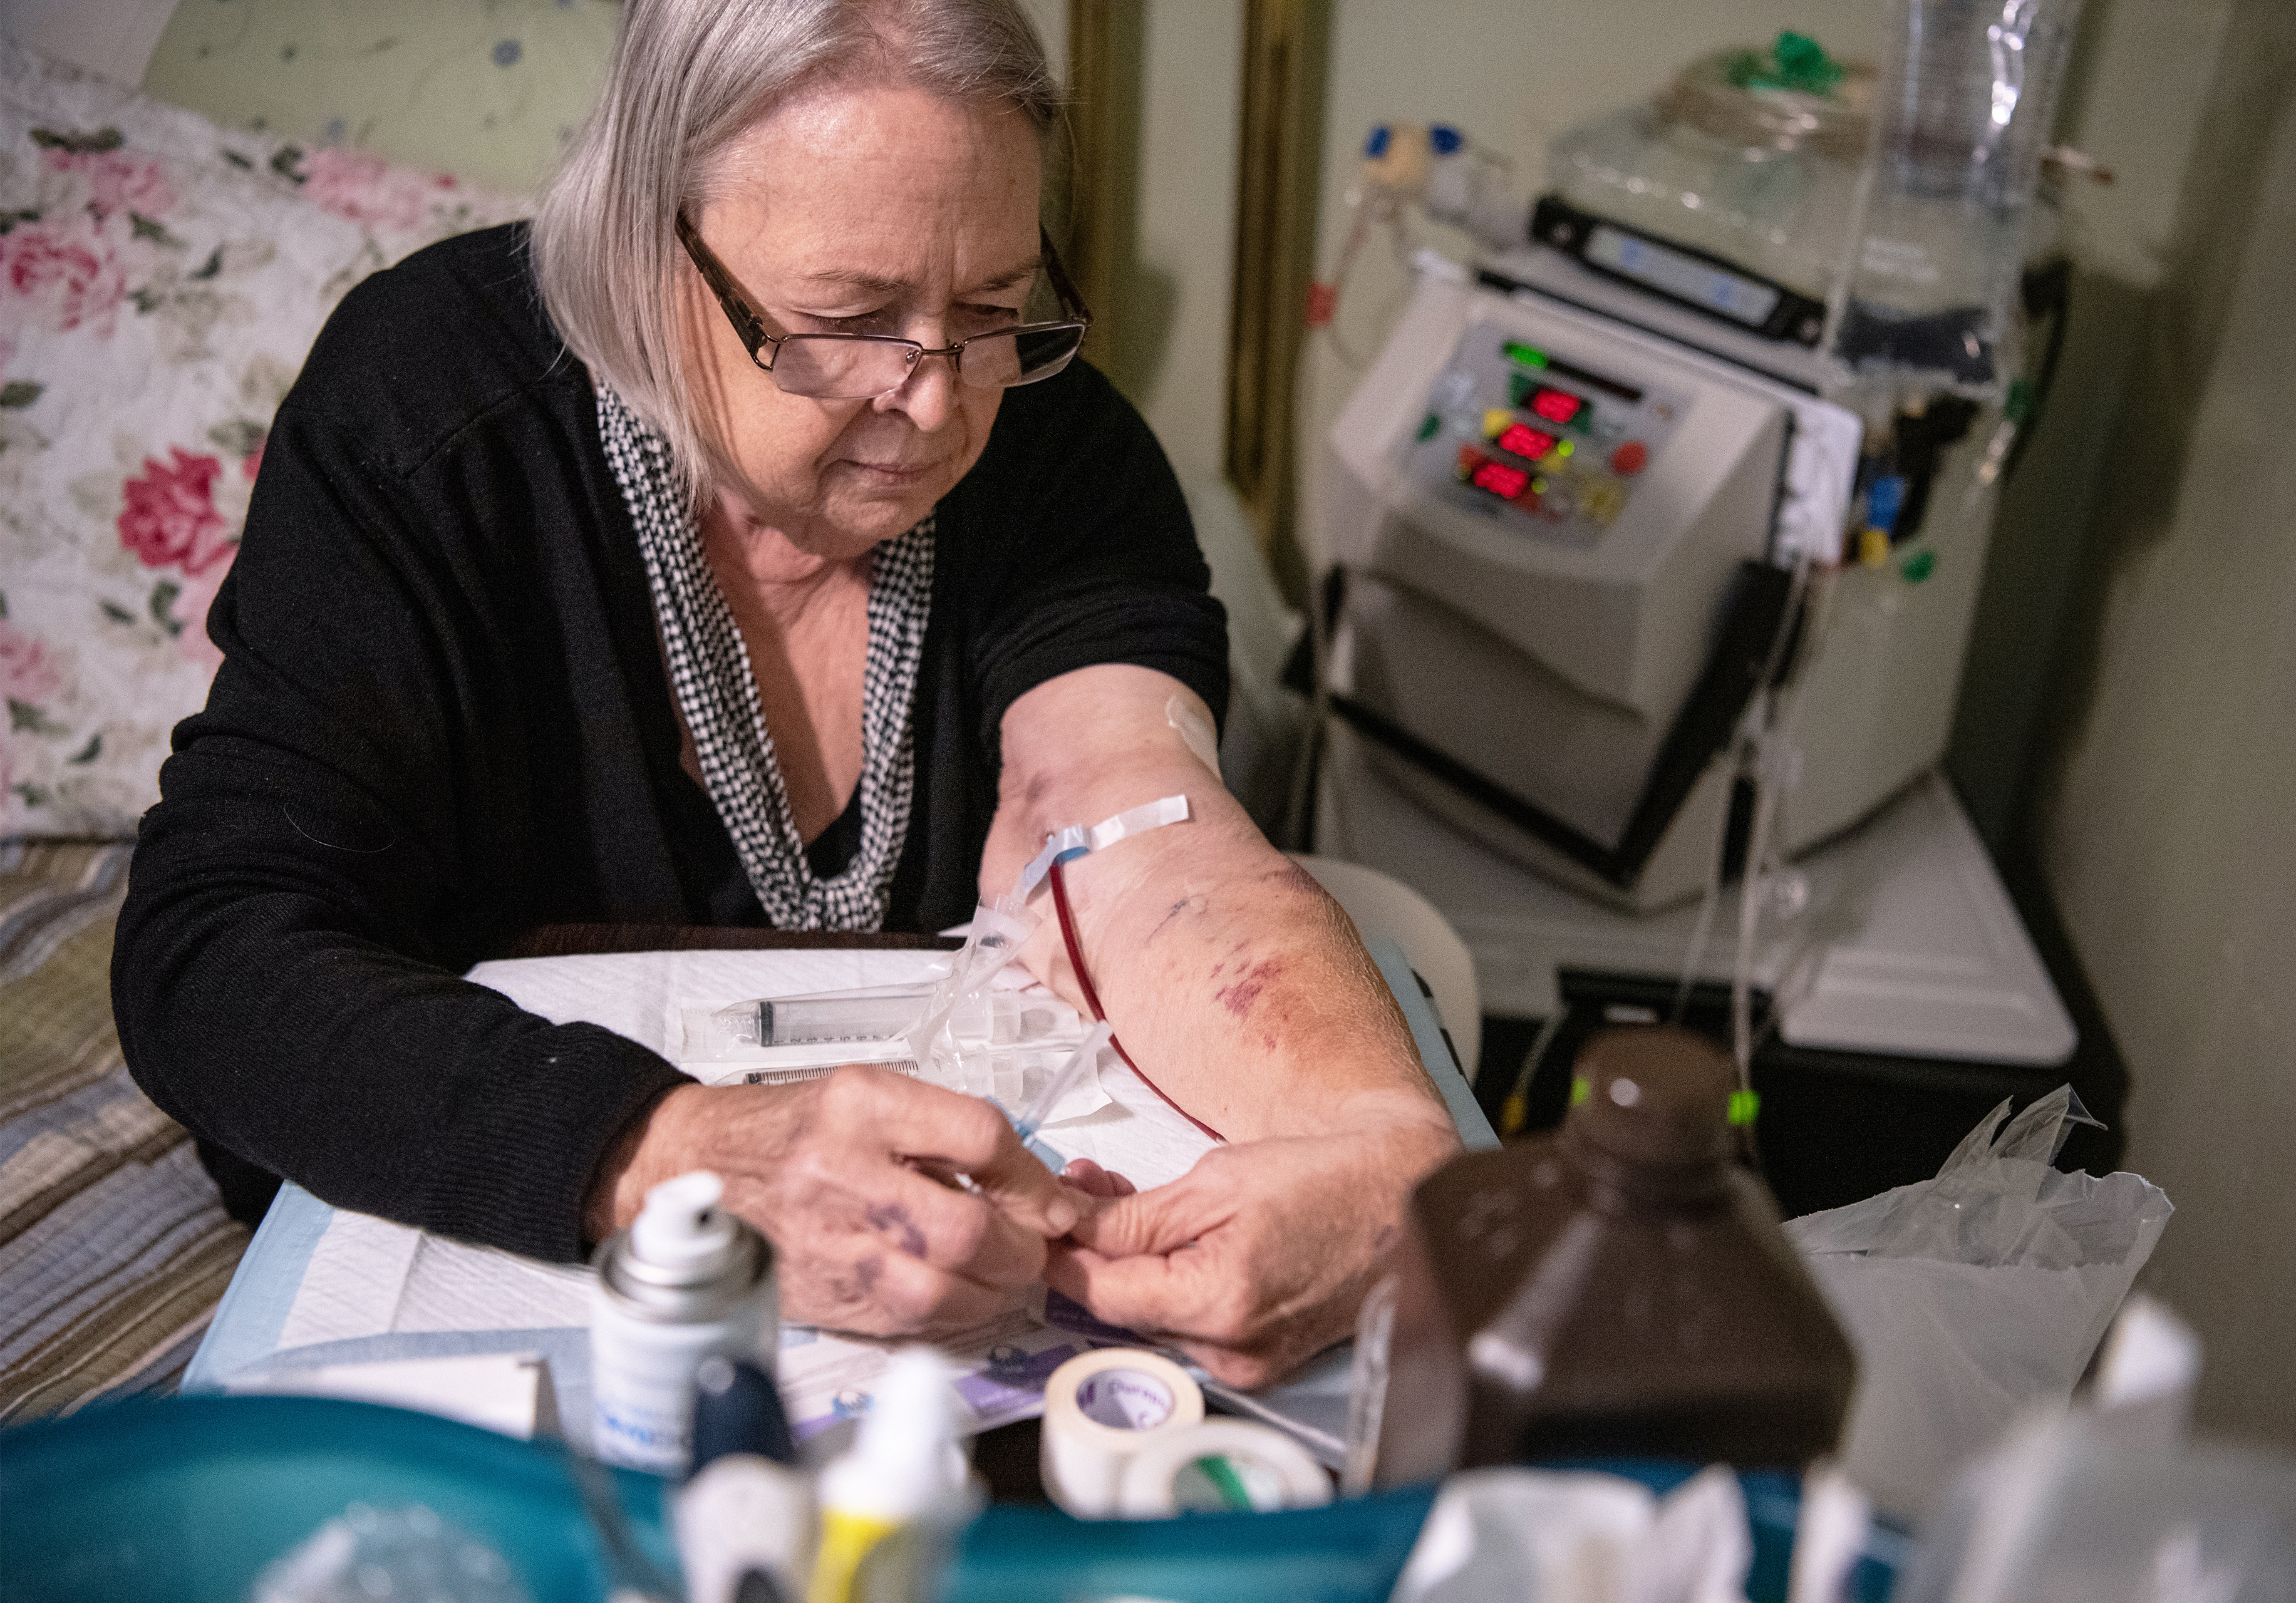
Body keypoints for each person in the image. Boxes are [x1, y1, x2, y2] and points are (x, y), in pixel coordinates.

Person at [113, 0, 1456, 1389]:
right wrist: (672, 1154)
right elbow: (211, 953)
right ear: (644, 247)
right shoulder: (431, 419)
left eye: (991, 312)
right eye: (848, 319)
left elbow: (1141, 835)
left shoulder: (1056, 451)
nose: (935, 402)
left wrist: (1393, 1151)